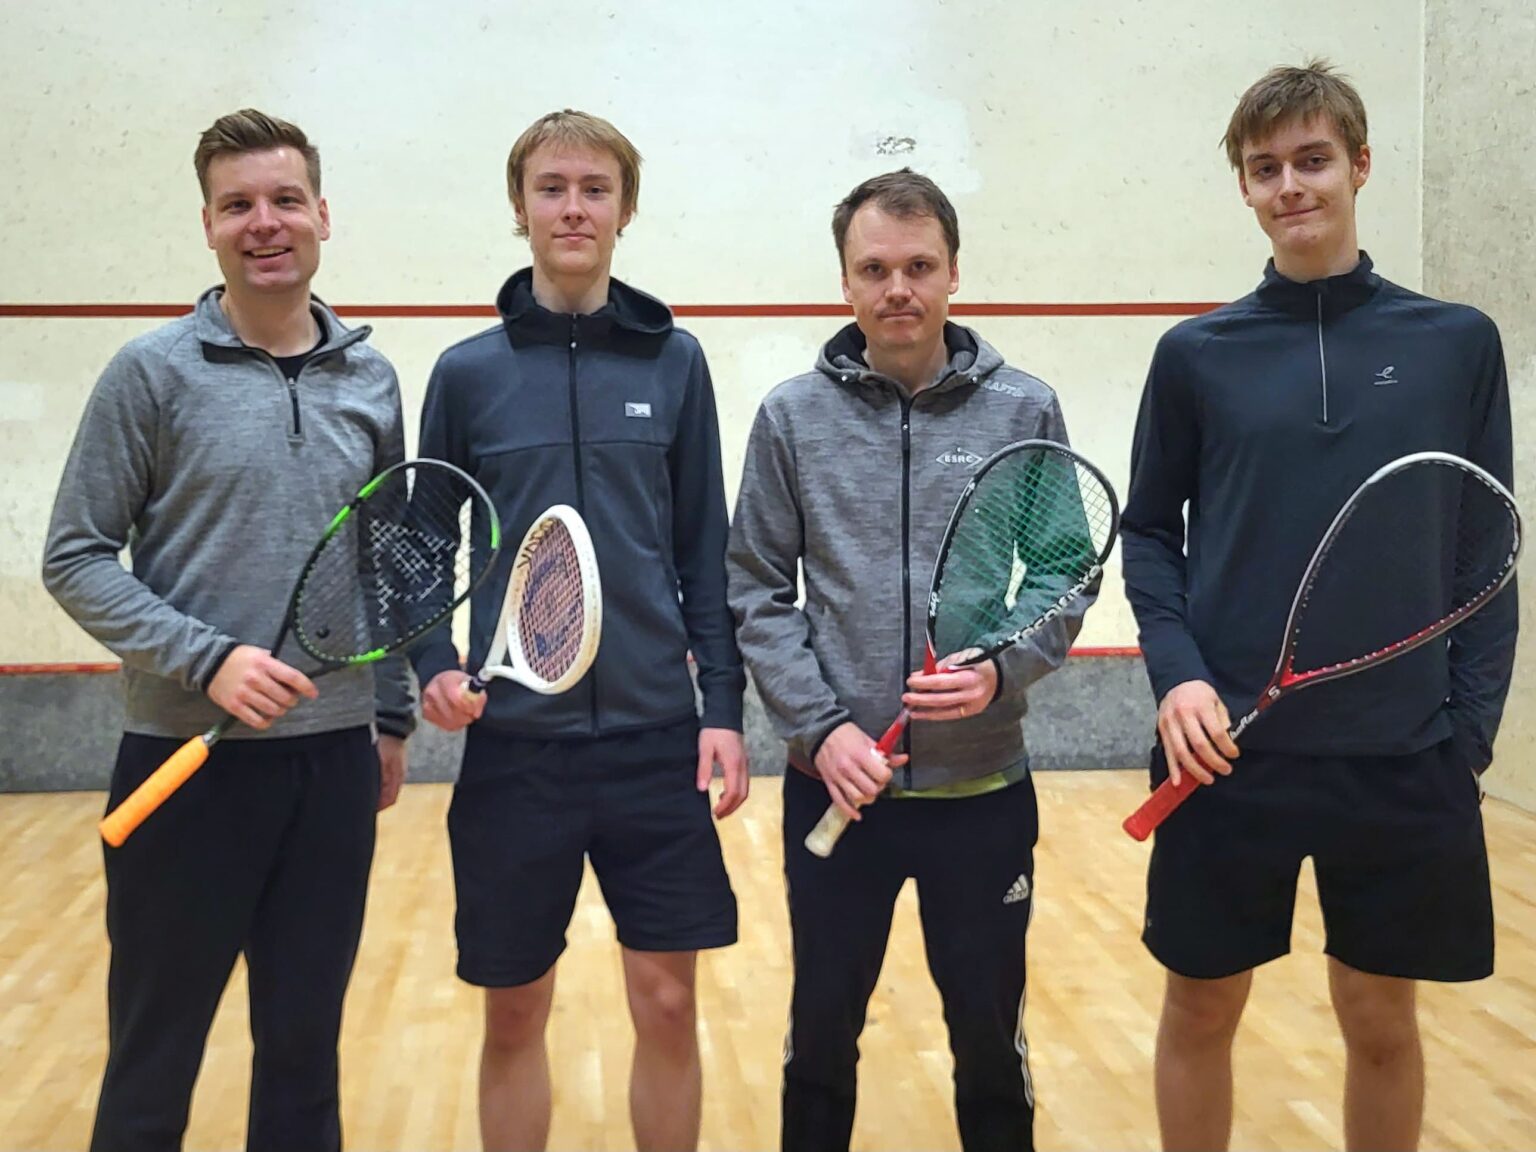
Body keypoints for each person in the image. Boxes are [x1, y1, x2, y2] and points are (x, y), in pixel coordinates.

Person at [1121, 60, 1517, 1152]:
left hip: (1403, 753)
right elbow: (1148, 532)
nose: (1291, 186)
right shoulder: (1195, 355)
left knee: (1381, 1019)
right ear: (1245, 188)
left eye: (1313, 160)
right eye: (1266, 168)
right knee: (1201, 1008)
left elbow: (1486, 547)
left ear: (1360, 166)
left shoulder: (1457, 342)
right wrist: (1179, 678)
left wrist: (1468, 735)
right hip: (1225, 752)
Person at [42, 109, 414, 1152]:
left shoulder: (371, 379)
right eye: (238, 204)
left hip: (330, 766)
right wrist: (207, 660)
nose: (265, 223)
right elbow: (73, 555)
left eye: (285, 200)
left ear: (323, 215)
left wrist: (389, 717)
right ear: (207, 225)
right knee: (154, 1056)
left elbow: (385, 560)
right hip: (183, 765)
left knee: (303, 1057)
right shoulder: (150, 373)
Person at [727, 168, 1094, 1152]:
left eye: (919, 266)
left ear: (954, 273)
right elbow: (755, 588)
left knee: (989, 1044)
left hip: (984, 795)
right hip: (838, 793)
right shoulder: (791, 417)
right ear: (845, 281)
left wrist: (1001, 668)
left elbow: (1062, 569)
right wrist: (820, 729)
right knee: (820, 1043)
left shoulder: (1022, 408)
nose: (899, 288)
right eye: (875, 269)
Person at [411, 109, 747, 1152]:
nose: (572, 207)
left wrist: (722, 708)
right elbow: (421, 545)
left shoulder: (674, 363)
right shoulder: (467, 374)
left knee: (669, 1006)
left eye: (594, 189)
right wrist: (432, 663)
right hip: (517, 751)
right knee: (514, 1014)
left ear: (624, 209)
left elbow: (704, 548)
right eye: (551, 188)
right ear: (519, 208)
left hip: (655, 741)